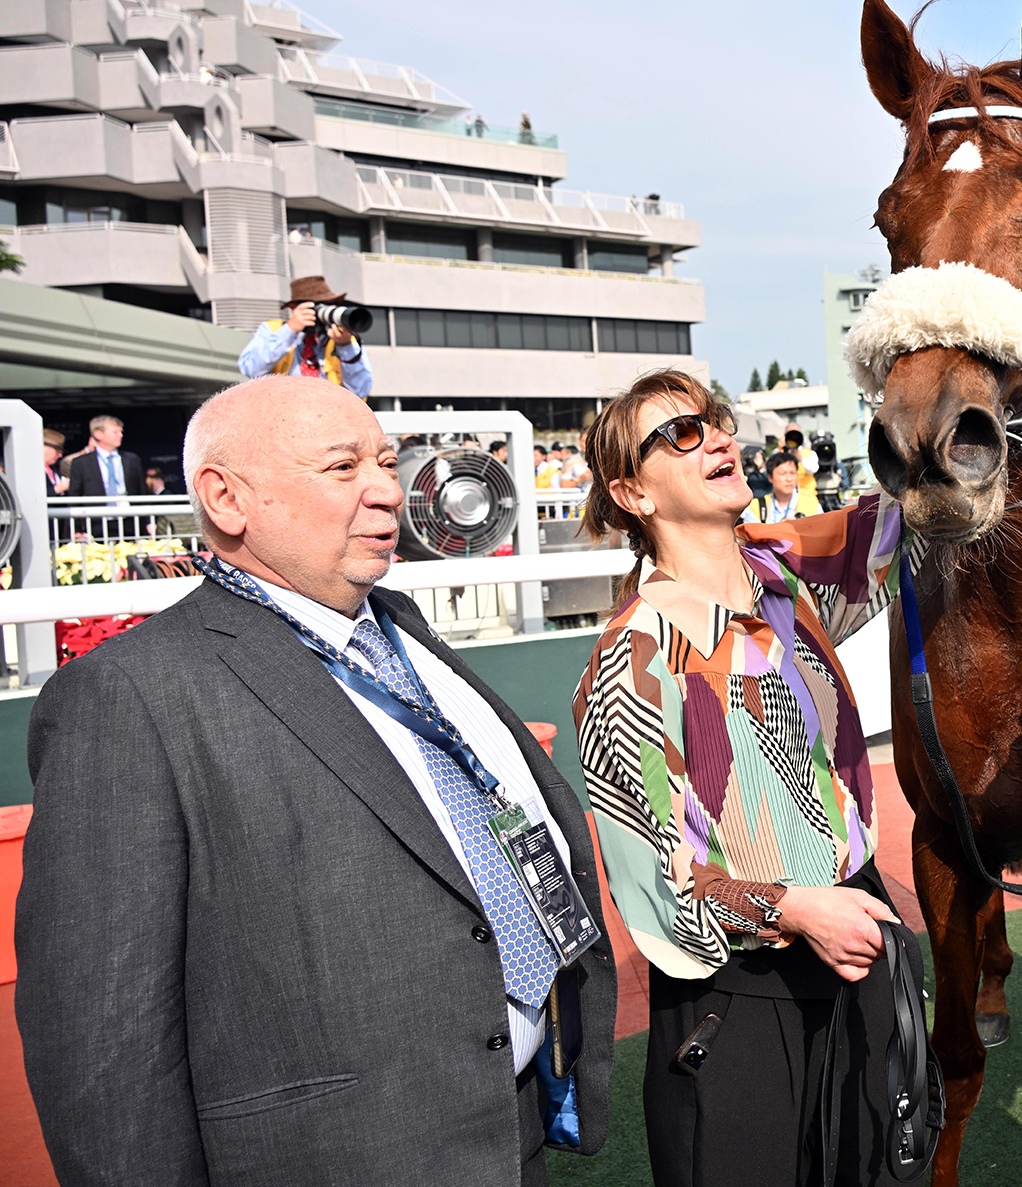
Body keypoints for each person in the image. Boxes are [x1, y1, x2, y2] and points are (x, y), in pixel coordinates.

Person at [15, 377, 616, 1185]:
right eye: (342, 468)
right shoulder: (128, 697)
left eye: (384, 460)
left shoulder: (402, 632)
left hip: (506, 1133)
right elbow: (103, 1041)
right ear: (227, 499)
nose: (386, 491)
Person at [570, 369, 905, 1186]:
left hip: (859, 945)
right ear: (631, 491)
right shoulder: (634, 657)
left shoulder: (782, 571)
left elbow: (911, 513)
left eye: (717, 420)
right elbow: (666, 885)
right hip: (736, 996)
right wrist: (796, 908)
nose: (719, 436)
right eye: (681, 433)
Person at [239, 276, 372, 397]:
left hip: (330, 415)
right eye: (316, 306)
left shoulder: (344, 337)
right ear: (294, 307)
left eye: (329, 305)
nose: (323, 311)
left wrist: (345, 346)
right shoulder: (273, 330)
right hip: (283, 412)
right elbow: (251, 369)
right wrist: (289, 330)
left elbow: (360, 391)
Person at [65, 413, 140, 497]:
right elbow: (75, 494)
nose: (121, 435)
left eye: (121, 432)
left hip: (126, 507)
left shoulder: (131, 459)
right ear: (98, 434)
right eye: (115, 432)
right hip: (97, 509)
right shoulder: (81, 463)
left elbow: (141, 490)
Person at [743, 451, 821, 523]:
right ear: (770, 477)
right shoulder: (755, 507)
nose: (789, 479)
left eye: (792, 473)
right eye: (783, 474)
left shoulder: (813, 505)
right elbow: (750, 536)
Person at [40, 428, 67, 494]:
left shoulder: (54, 468)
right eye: (57, 451)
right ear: (44, 447)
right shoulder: (31, 471)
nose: (60, 455)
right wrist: (57, 489)